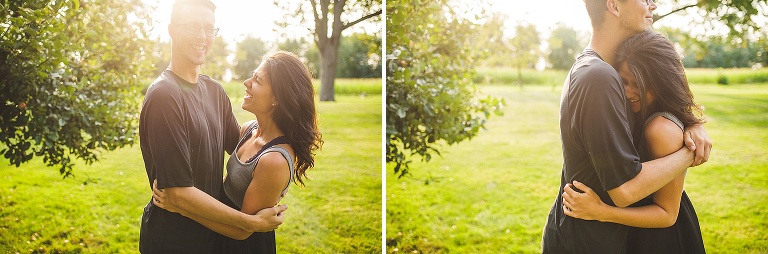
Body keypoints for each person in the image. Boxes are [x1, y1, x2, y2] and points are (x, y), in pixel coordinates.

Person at [541, 0, 712, 253]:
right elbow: (625, 190)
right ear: (614, 6)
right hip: (588, 240)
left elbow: (662, 91)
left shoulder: (600, 69)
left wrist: (689, 121)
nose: (653, 5)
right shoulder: (598, 76)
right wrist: (690, 151)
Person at [139, 1, 286, 253]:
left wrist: (275, 176)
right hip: (173, 240)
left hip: (213, 236)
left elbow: (241, 146)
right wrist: (251, 223)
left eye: (209, 29)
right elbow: (177, 193)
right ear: (172, 30)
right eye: (193, 27)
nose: (202, 37)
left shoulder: (214, 91)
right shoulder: (165, 95)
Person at [152, 51, 323, 253]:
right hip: (219, 229)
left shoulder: (274, 160)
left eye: (258, 81)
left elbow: (242, 230)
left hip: (241, 243)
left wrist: (182, 207)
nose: (247, 82)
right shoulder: (248, 130)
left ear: (277, 98)